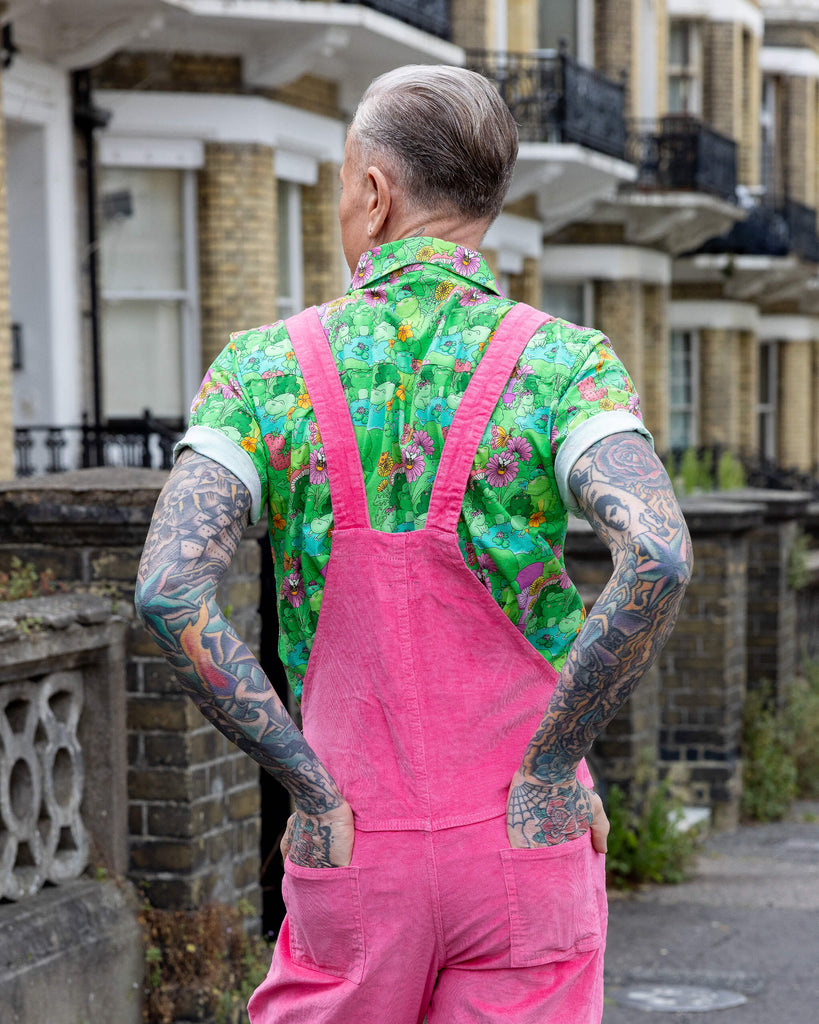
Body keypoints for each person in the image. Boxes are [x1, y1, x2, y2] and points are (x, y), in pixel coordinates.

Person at [135, 64, 692, 1024]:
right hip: (525, 845)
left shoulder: (262, 372)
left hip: (355, 846)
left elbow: (169, 591)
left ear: (374, 192)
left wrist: (306, 788)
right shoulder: (565, 364)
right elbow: (659, 555)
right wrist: (553, 765)